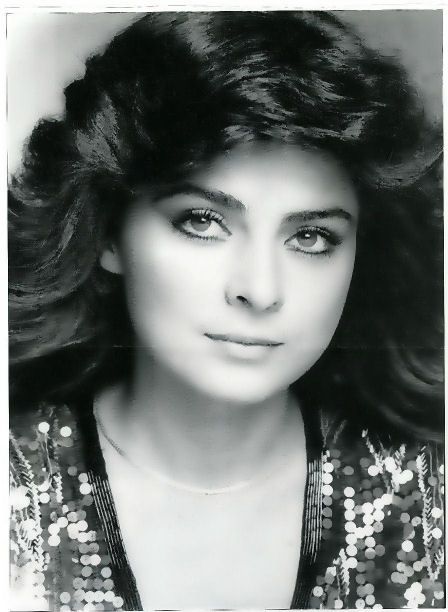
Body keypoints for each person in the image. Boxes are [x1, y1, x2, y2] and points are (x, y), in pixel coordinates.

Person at [9, 11, 444, 611]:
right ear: (107, 233)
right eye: (202, 221)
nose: (260, 291)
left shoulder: (425, 495)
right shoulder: (15, 487)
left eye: (311, 236)